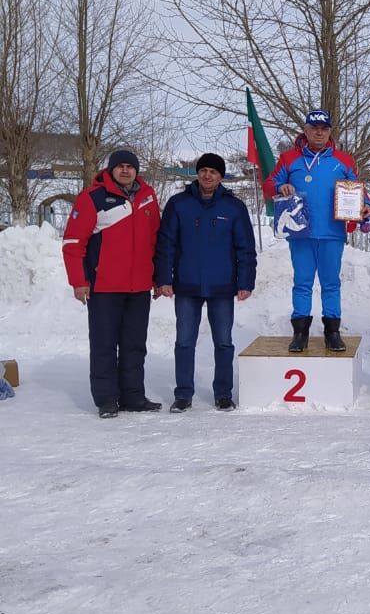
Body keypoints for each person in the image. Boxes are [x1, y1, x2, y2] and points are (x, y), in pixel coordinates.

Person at [62, 148, 161, 418]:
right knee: (105, 345)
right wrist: (78, 282)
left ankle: (132, 397)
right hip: (103, 286)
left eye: (131, 166)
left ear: (136, 171)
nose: (126, 170)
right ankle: (107, 400)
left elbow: (156, 242)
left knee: (134, 345)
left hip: (139, 287)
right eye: (121, 166)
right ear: (111, 170)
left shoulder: (147, 197)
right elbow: (73, 243)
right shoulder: (92, 198)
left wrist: (157, 277)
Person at [262, 109, 370, 352]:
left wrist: (366, 207)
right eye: (314, 128)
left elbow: (359, 191)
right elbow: (269, 183)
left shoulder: (343, 160)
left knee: (331, 283)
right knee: (302, 282)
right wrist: (282, 186)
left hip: (332, 232)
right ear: (306, 130)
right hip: (301, 231)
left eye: (324, 128)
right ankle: (300, 332)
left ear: (330, 131)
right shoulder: (289, 158)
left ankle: (332, 331)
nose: (319, 132)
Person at [155, 154, 257, 412]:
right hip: (187, 285)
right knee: (184, 342)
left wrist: (245, 282)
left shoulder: (234, 208)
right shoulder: (179, 204)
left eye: (213, 171)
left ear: (221, 176)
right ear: (196, 174)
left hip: (222, 286)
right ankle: (183, 394)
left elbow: (245, 248)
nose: (207, 175)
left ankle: (223, 394)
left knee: (223, 341)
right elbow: (165, 244)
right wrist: (164, 278)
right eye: (203, 171)